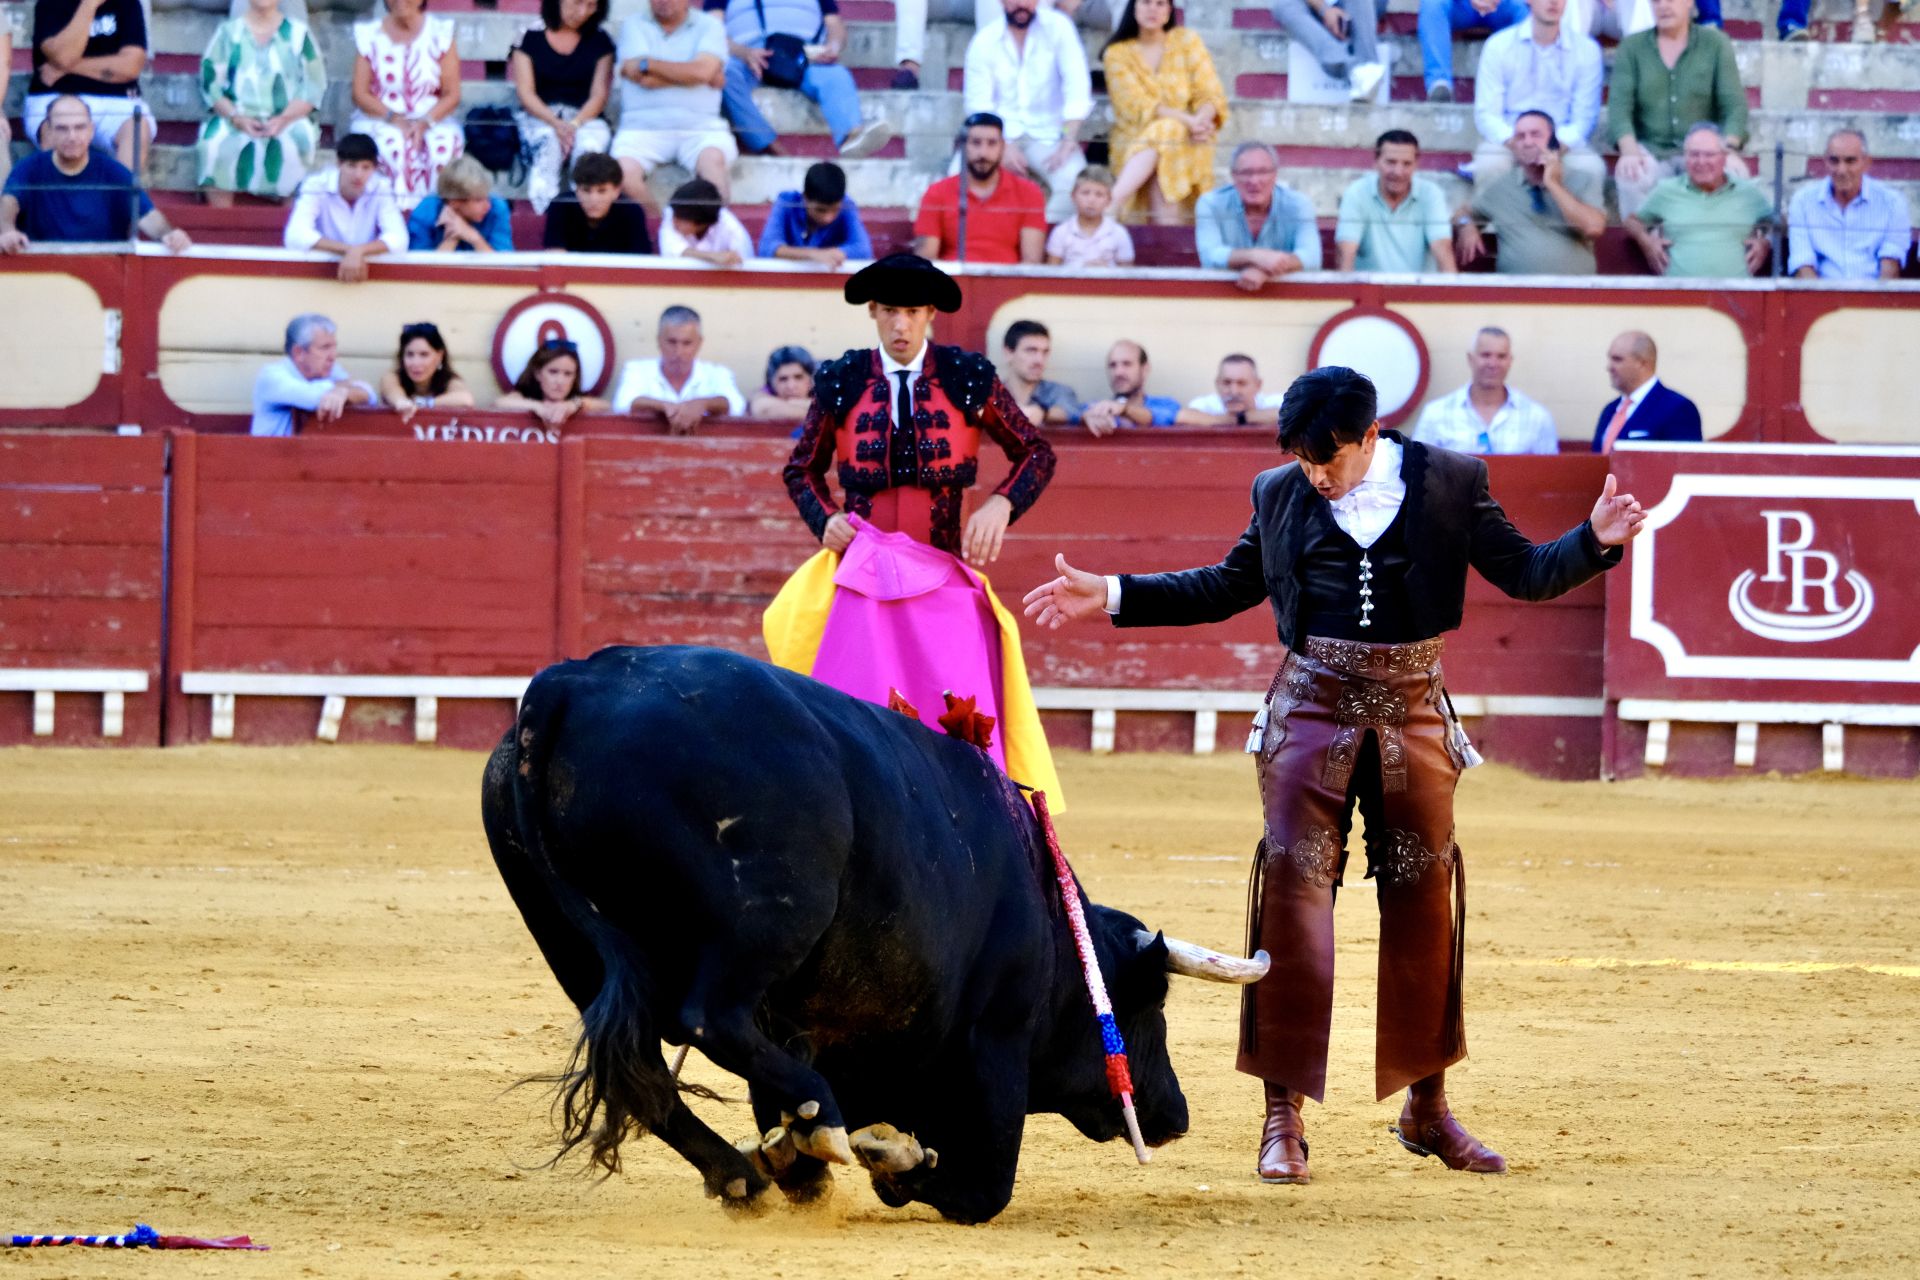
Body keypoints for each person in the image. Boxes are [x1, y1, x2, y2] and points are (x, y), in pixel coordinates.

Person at [1020, 364, 1646, 1186]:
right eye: (1305, 460)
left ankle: (1428, 1108)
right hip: (1309, 712)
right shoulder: (1279, 490)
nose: (1317, 476)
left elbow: (1527, 572)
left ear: (1369, 436)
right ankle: (1283, 1117)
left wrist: (1594, 539)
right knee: (1292, 902)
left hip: (1415, 711)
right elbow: (1226, 585)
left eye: (1330, 460)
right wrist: (1113, 592)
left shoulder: (1452, 481)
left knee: (1425, 908)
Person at [766, 252, 1063, 801]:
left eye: (912, 313)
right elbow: (800, 467)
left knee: (960, 721)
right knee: (853, 720)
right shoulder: (841, 378)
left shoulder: (968, 377)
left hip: (942, 574)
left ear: (930, 314)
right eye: (890, 313)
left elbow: (1036, 453)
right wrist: (825, 518)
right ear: (873, 313)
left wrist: (1001, 504)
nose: (901, 326)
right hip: (862, 578)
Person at [1607, 0, 1747, 220]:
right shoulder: (1632, 48)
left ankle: (1716, 248)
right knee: (1630, 175)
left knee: (1734, 173)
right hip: (1652, 150)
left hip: (1703, 150)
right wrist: (1630, 151)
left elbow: (1735, 106)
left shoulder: (1716, 43)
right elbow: (1619, 108)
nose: (1663, 6)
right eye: (1656, 1)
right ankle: (1649, 245)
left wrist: (1727, 149)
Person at [0, 95, 191, 253]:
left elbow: (148, 217)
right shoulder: (29, 168)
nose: (72, 136)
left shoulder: (114, 172)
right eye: (62, 128)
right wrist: (7, 232)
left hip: (103, 271)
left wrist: (169, 234)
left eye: (79, 127)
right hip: (45, 273)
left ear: (91, 130)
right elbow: (8, 204)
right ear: (49, 132)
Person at [964, 0, 1093, 224]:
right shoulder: (984, 41)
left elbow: (1077, 87)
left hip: (1050, 134)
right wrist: (1002, 145)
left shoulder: (1059, 27)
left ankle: (1040, 243)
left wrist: (1068, 137)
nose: (1021, 4)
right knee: (957, 182)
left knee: (1076, 186)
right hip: (998, 136)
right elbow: (978, 104)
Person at [712, 0, 892, 160]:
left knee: (836, 74)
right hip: (748, 59)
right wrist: (743, 53)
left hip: (802, 59)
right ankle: (767, 144)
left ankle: (850, 137)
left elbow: (834, 24)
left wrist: (833, 47)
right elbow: (712, 28)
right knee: (725, 74)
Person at [1102, 0, 1228, 225]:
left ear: (1169, 10)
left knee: (1170, 138)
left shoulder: (1187, 41)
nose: (1153, 9)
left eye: (1160, 3)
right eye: (1146, 3)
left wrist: (1201, 120)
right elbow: (1138, 106)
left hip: (1190, 138)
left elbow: (1210, 93)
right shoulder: (1116, 53)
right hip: (1134, 139)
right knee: (1168, 133)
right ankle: (1167, 239)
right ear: (1134, 8)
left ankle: (1112, 204)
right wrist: (1188, 121)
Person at [194, 0, 326, 204]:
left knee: (297, 141)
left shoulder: (299, 34)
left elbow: (313, 85)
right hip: (235, 118)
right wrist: (236, 117)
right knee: (213, 144)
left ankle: (288, 224)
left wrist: (284, 119)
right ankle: (220, 222)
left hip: (287, 119)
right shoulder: (228, 32)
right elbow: (210, 83)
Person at [1469, 0, 1603, 191]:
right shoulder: (1498, 46)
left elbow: (1584, 118)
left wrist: (1553, 146)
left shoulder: (1587, 50)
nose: (1554, 2)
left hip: (1561, 140)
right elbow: (1487, 114)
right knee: (1490, 164)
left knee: (1591, 168)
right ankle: (1494, 219)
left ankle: (1576, 220)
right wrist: (1519, 142)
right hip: (1510, 137)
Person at [612, 0, 736, 206]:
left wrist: (648, 64)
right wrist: (696, 76)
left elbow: (701, 72)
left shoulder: (710, 25)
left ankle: (713, 234)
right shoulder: (633, 24)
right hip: (642, 129)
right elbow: (645, 79)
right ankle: (661, 228)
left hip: (700, 128)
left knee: (714, 169)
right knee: (621, 176)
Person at [1454, 108, 1606, 276]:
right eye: (1520, 137)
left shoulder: (1582, 179)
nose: (1527, 142)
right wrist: (1465, 224)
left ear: (1553, 142)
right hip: (1516, 295)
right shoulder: (1502, 186)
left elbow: (1593, 228)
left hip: (1574, 294)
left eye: (1535, 135)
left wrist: (1553, 184)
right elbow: (1462, 212)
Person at [350, 0, 465, 211]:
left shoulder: (440, 33)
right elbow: (359, 93)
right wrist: (392, 118)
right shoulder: (369, 34)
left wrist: (425, 122)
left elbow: (452, 94)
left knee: (442, 146)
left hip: (432, 117)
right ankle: (394, 217)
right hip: (380, 116)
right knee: (393, 145)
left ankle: (434, 215)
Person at [1626, 123, 1772, 280]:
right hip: (1679, 293)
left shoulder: (1748, 192)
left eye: (1709, 155)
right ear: (1685, 158)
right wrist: (1647, 242)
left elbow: (1779, 223)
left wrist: (1766, 242)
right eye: (1694, 155)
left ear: (1724, 157)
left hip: (1738, 294)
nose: (1701, 162)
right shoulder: (1667, 190)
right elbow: (1632, 222)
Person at [510, 0, 617, 214]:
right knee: (548, 144)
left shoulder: (600, 40)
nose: (582, 12)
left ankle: (583, 217)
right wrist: (555, 123)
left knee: (589, 147)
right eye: (577, 3)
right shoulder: (529, 37)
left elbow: (599, 95)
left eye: (591, 5)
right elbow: (526, 94)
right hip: (539, 115)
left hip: (585, 117)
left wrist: (574, 125)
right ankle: (549, 218)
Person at [27, 0, 155, 170]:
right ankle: (62, 195)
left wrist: (68, 68)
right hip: (58, 95)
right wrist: (88, 5)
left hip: (117, 100)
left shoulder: (128, 3)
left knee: (137, 130)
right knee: (56, 128)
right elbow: (63, 56)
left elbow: (131, 67)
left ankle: (122, 195)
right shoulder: (50, 3)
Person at [912, 112, 1047, 264]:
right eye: (976, 143)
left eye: (992, 143)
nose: (983, 153)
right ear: (962, 146)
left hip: (1008, 284)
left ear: (1002, 147)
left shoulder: (1029, 193)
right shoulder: (937, 193)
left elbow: (1031, 263)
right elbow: (926, 261)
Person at [1787, 129, 1913, 282]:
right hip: (1820, 295)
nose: (1841, 170)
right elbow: (1803, 264)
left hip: (1872, 297)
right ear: (1825, 162)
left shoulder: (1892, 203)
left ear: (1866, 163)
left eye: (1850, 161)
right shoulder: (1803, 202)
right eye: (1834, 161)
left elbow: (1890, 268)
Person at [1194, 142, 1322, 292]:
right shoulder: (1211, 203)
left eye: (1263, 172)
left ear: (1275, 175)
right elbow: (1210, 256)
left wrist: (1265, 270)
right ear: (1233, 176)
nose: (1254, 181)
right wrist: (1255, 256)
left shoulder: (1298, 204)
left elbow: (1312, 257)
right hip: (1223, 297)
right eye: (1246, 173)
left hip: (1284, 300)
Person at [1410, 328, 1558, 454]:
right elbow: (1418, 473)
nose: (1493, 364)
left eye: (1501, 356)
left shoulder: (1537, 418)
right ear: (1470, 358)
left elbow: (1550, 478)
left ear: (1510, 361)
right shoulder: (1436, 414)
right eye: (1485, 355)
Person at [284, 132, 408, 282]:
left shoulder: (381, 187)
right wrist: (350, 251)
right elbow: (296, 236)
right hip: (319, 277)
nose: (358, 174)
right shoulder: (316, 184)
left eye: (366, 167)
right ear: (339, 164)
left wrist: (359, 251)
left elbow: (399, 239)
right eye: (352, 166)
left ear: (374, 168)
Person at [1336, 130, 1457, 274]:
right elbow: (1345, 252)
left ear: (1416, 165)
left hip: (1418, 291)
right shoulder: (1357, 192)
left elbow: (1443, 249)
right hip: (1370, 291)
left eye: (1407, 164)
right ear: (1376, 162)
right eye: (1391, 162)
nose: (1398, 171)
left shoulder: (1431, 194)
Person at [612, 305, 747, 433]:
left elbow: (737, 406)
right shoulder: (637, 370)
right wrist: (664, 406)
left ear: (699, 343)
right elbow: (622, 404)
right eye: (672, 342)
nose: (679, 351)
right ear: (659, 341)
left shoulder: (718, 374)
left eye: (687, 343)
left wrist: (703, 404)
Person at [251, 313, 376, 437]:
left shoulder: (329, 371)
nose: (333, 356)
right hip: (269, 454)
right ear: (299, 352)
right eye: (325, 348)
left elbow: (370, 395)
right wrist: (342, 389)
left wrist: (344, 392)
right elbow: (313, 398)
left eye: (333, 347)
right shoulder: (272, 376)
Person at [1591, 330, 1701, 453]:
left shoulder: (1678, 409)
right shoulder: (1610, 410)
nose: (1609, 367)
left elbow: (1684, 463)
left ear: (1642, 363)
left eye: (1617, 359)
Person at [1268, 0, 1386, 101]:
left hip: (1361, 5)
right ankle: (1349, 66)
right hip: (1315, 7)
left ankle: (1368, 66)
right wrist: (1325, 10)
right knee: (1284, 6)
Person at [758, 161, 873, 265]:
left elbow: (863, 249)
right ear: (805, 198)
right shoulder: (786, 202)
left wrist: (834, 254)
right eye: (821, 210)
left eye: (835, 209)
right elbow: (766, 248)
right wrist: (812, 254)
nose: (828, 218)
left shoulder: (847, 205)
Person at [542, 152, 655, 253]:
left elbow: (640, 264)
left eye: (602, 191)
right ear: (577, 190)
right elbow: (555, 258)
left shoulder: (632, 212)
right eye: (586, 190)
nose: (593, 200)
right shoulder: (561, 206)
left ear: (616, 191)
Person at [1419, 0, 1526, 103]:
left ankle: (1522, 87)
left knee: (1526, 8)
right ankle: (1439, 83)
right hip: (1460, 5)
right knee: (1432, 3)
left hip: (1502, 5)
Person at [406, 156, 515, 253]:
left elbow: (505, 269)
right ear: (454, 203)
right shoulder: (424, 213)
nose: (488, 205)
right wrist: (452, 238)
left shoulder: (497, 207)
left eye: (487, 197)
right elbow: (423, 273)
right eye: (478, 200)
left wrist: (474, 237)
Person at [496, 339, 611, 425]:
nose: (560, 381)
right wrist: (537, 406)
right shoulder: (524, 395)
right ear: (537, 373)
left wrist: (573, 405)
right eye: (553, 372)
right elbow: (500, 403)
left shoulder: (575, 400)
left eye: (568, 374)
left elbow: (606, 406)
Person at [379, 321, 477, 421]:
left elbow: (465, 399)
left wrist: (423, 403)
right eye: (410, 354)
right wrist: (401, 402)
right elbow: (393, 393)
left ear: (439, 356)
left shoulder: (449, 380)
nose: (416, 363)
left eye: (424, 354)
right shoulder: (392, 377)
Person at [1081, 340, 1180, 435]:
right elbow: (1077, 413)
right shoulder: (1096, 408)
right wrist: (1085, 417)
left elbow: (1168, 416)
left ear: (1145, 369)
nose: (1118, 372)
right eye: (1112, 365)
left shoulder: (1165, 405)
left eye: (1127, 364)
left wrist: (1125, 410)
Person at [1045, 167, 1135, 268]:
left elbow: (1127, 274)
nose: (1091, 200)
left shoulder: (1118, 233)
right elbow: (1052, 272)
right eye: (1085, 193)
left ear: (1109, 200)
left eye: (1099, 195)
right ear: (1073, 196)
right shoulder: (1061, 232)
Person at [1000, 319, 1081, 425]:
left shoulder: (1058, 392)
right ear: (1008, 353)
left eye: (1045, 352)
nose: (1039, 360)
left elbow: (1073, 412)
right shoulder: (991, 394)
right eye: (1031, 350)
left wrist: (1043, 413)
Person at [658, 177, 755, 264]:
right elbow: (671, 250)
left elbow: (744, 262)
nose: (673, 221)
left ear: (702, 224)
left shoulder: (732, 229)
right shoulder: (671, 212)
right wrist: (712, 256)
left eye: (680, 219)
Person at [1177, 354, 1285, 426]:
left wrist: (1240, 418)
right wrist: (1238, 419)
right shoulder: (1205, 404)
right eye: (1226, 382)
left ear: (1258, 385)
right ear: (1217, 383)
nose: (1234, 391)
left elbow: (1290, 413)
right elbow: (1181, 416)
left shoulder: (1273, 402)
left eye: (1242, 383)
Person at [749, 345, 817, 420]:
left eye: (798, 377)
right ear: (771, 382)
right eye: (783, 379)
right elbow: (761, 408)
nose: (791, 386)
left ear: (811, 379)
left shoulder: (820, 392)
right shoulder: (764, 393)